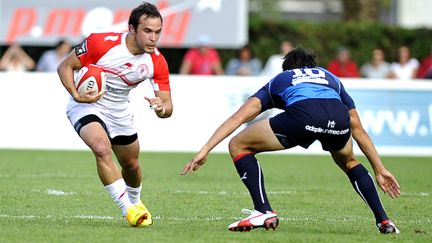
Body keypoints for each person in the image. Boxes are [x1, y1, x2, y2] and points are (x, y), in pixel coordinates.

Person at [181, 47, 400, 234]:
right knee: (349, 161)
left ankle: (263, 211)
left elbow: (239, 117)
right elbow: (358, 129)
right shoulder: (330, 77)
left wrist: (206, 149)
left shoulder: (282, 78)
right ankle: (384, 221)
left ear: (288, 67)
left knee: (238, 145)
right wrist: (379, 169)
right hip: (338, 119)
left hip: (303, 117)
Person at [57, 2, 173, 227]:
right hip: (86, 105)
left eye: (157, 32)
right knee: (101, 148)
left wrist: (162, 107)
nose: (153, 38)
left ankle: (136, 201)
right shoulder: (101, 42)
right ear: (132, 29)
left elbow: (168, 107)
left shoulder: (156, 61)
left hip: (119, 111)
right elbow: (65, 66)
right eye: (147, 31)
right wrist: (76, 95)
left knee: (131, 165)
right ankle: (129, 210)